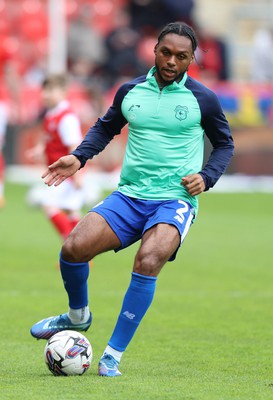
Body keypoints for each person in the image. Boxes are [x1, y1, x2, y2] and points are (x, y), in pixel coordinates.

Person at [30, 22, 234, 377]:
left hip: (174, 199)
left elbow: (225, 144)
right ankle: (78, 317)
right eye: (166, 52)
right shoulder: (130, 91)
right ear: (154, 50)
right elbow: (107, 126)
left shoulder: (203, 99)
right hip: (129, 196)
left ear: (191, 61)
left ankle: (112, 354)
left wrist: (206, 176)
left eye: (181, 57)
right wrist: (78, 157)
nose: (171, 61)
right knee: (73, 248)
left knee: (149, 258)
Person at [26, 74, 85, 240]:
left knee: (48, 205)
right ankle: (80, 254)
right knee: (70, 211)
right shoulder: (51, 114)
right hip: (61, 173)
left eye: (51, 90)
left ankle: (72, 246)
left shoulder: (67, 117)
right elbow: (48, 136)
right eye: (44, 89)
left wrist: (78, 175)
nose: (45, 94)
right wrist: (39, 149)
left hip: (65, 173)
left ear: (63, 92)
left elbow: (75, 147)